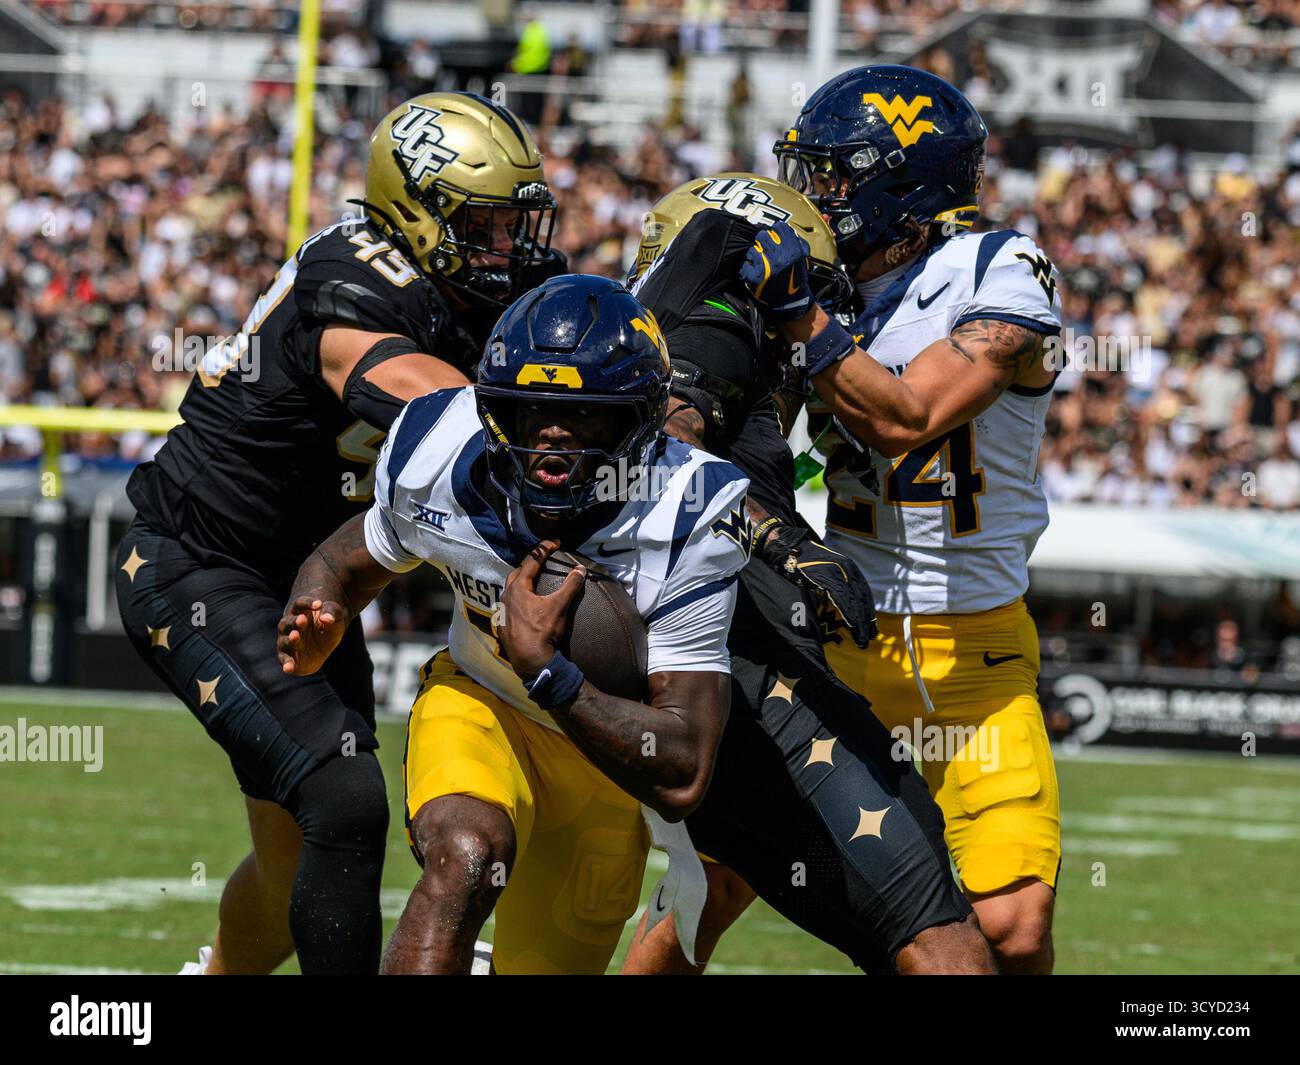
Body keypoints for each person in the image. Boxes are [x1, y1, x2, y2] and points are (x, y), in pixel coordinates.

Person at [115, 92, 561, 975]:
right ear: (417, 213)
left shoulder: (461, 286)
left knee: (296, 862)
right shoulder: (354, 282)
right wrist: (571, 416)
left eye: (515, 226)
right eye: (484, 224)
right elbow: (439, 407)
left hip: (315, 581)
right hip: (199, 563)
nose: (506, 249)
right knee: (343, 796)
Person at [277, 275, 751, 974]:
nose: (553, 436)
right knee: (465, 855)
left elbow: (682, 766)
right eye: (531, 411)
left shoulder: (689, 509)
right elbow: (353, 556)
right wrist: (319, 609)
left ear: (642, 421)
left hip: (607, 756)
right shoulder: (439, 447)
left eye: (586, 416)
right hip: (483, 700)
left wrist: (553, 673)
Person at [620, 173, 994, 974]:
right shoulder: (715, 325)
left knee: (605, 916)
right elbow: (665, 444)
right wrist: (781, 540)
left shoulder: (646, 322)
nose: (817, 312)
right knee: (937, 935)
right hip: (734, 666)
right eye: (803, 286)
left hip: (636, 671)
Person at [766, 65, 1065, 973]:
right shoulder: (824, 283)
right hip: (845, 641)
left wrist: (796, 316)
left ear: (906, 178)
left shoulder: (997, 269)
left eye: (838, 175)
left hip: (977, 660)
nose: (818, 195)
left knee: (1013, 932)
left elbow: (906, 418)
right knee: (710, 887)